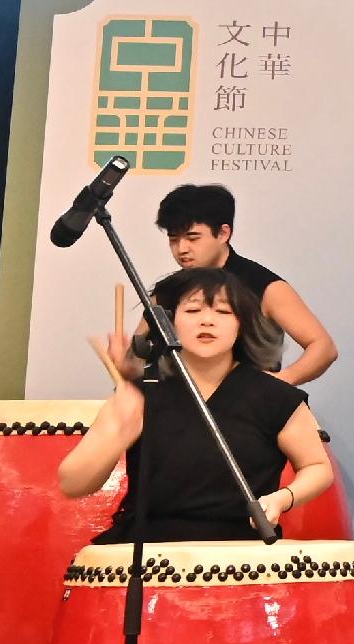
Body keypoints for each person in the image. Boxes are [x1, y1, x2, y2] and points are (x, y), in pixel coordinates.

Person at [53, 264, 336, 541]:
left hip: (242, 555)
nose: (207, 320)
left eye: (223, 311)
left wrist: (282, 499)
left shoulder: (275, 396)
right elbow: (72, 483)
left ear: (242, 324)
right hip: (149, 551)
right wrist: (117, 437)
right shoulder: (141, 394)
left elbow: (317, 467)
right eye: (192, 310)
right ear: (170, 323)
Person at [155, 182, 335, 386]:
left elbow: (323, 347)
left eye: (192, 238)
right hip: (182, 405)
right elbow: (138, 356)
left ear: (223, 233)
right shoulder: (168, 289)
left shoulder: (265, 286)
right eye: (173, 239)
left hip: (249, 409)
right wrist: (125, 364)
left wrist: (281, 382)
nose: (182, 249)